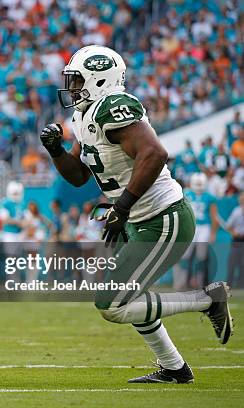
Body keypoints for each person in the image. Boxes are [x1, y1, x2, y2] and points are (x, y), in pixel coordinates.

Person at [40, 45, 233, 384]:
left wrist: (123, 204)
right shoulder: (86, 114)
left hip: (161, 216)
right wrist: (56, 150)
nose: (71, 89)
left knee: (111, 303)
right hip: (135, 219)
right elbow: (78, 175)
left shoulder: (113, 107)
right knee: (128, 297)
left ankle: (207, 300)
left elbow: (155, 153)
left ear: (100, 80)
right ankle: (174, 368)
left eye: (77, 80)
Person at [174, 173, 219, 289]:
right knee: (185, 256)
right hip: (191, 226)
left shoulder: (209, 197)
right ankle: (182, 282)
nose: (199, 186)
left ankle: (199, 283)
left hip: (204, 227)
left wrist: (213, 233)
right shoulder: (186, 193)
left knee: (201, 257)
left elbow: (214, 216)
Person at [226, 193, 244, 288]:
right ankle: (229, 284)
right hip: (237, 240)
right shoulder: (236, 211)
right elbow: (229, 226)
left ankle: (241, 285)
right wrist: (234, 233)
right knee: (232, 263)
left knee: (242, 264)